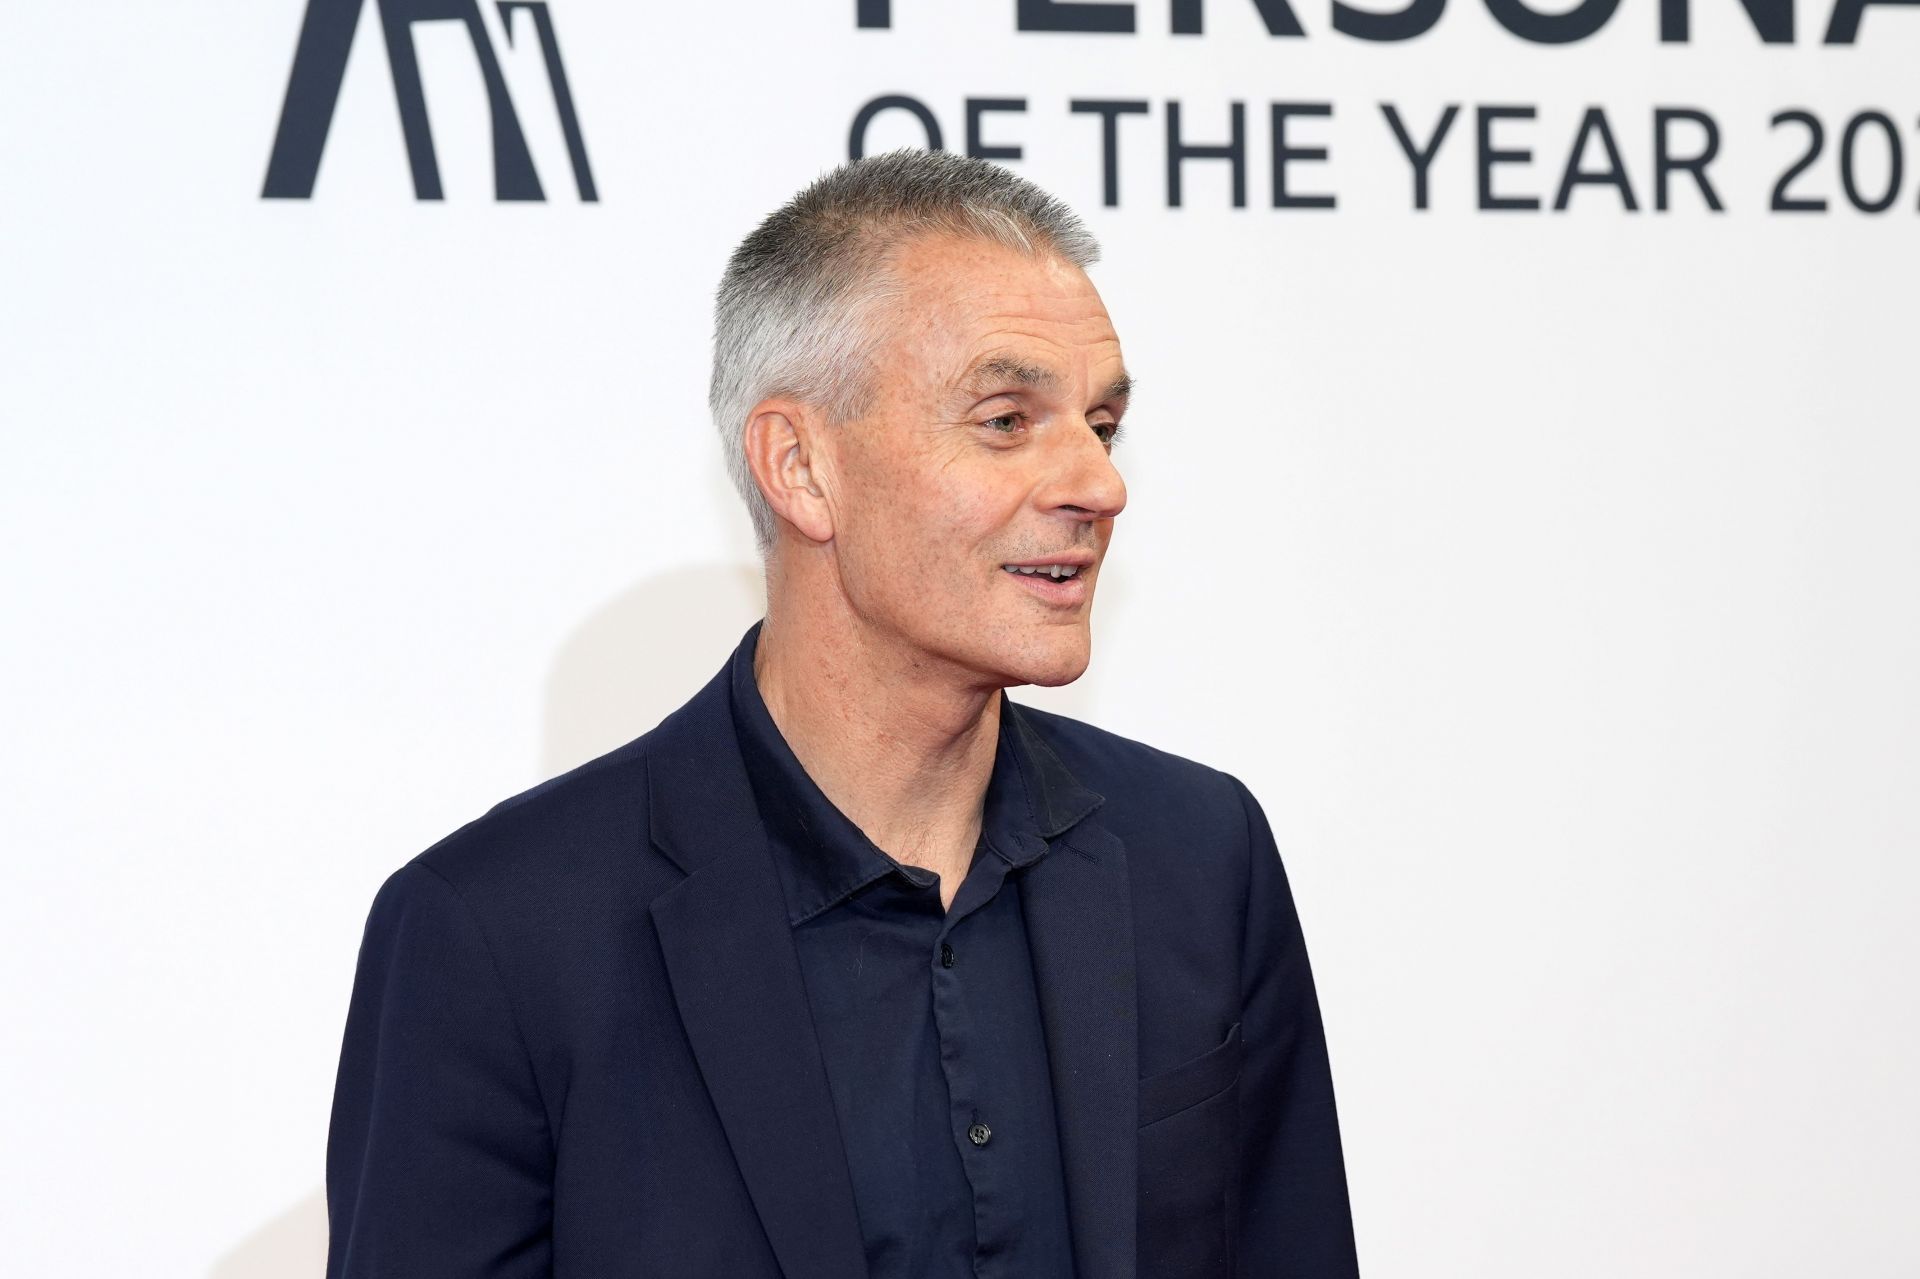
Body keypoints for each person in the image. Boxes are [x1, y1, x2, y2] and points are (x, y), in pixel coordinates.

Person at [324, 147, 1360, 1279]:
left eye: (1101, 424)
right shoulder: (498, 936)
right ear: (802, 467)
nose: (1099, 485)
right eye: (1008, 420)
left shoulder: (1199, 856)